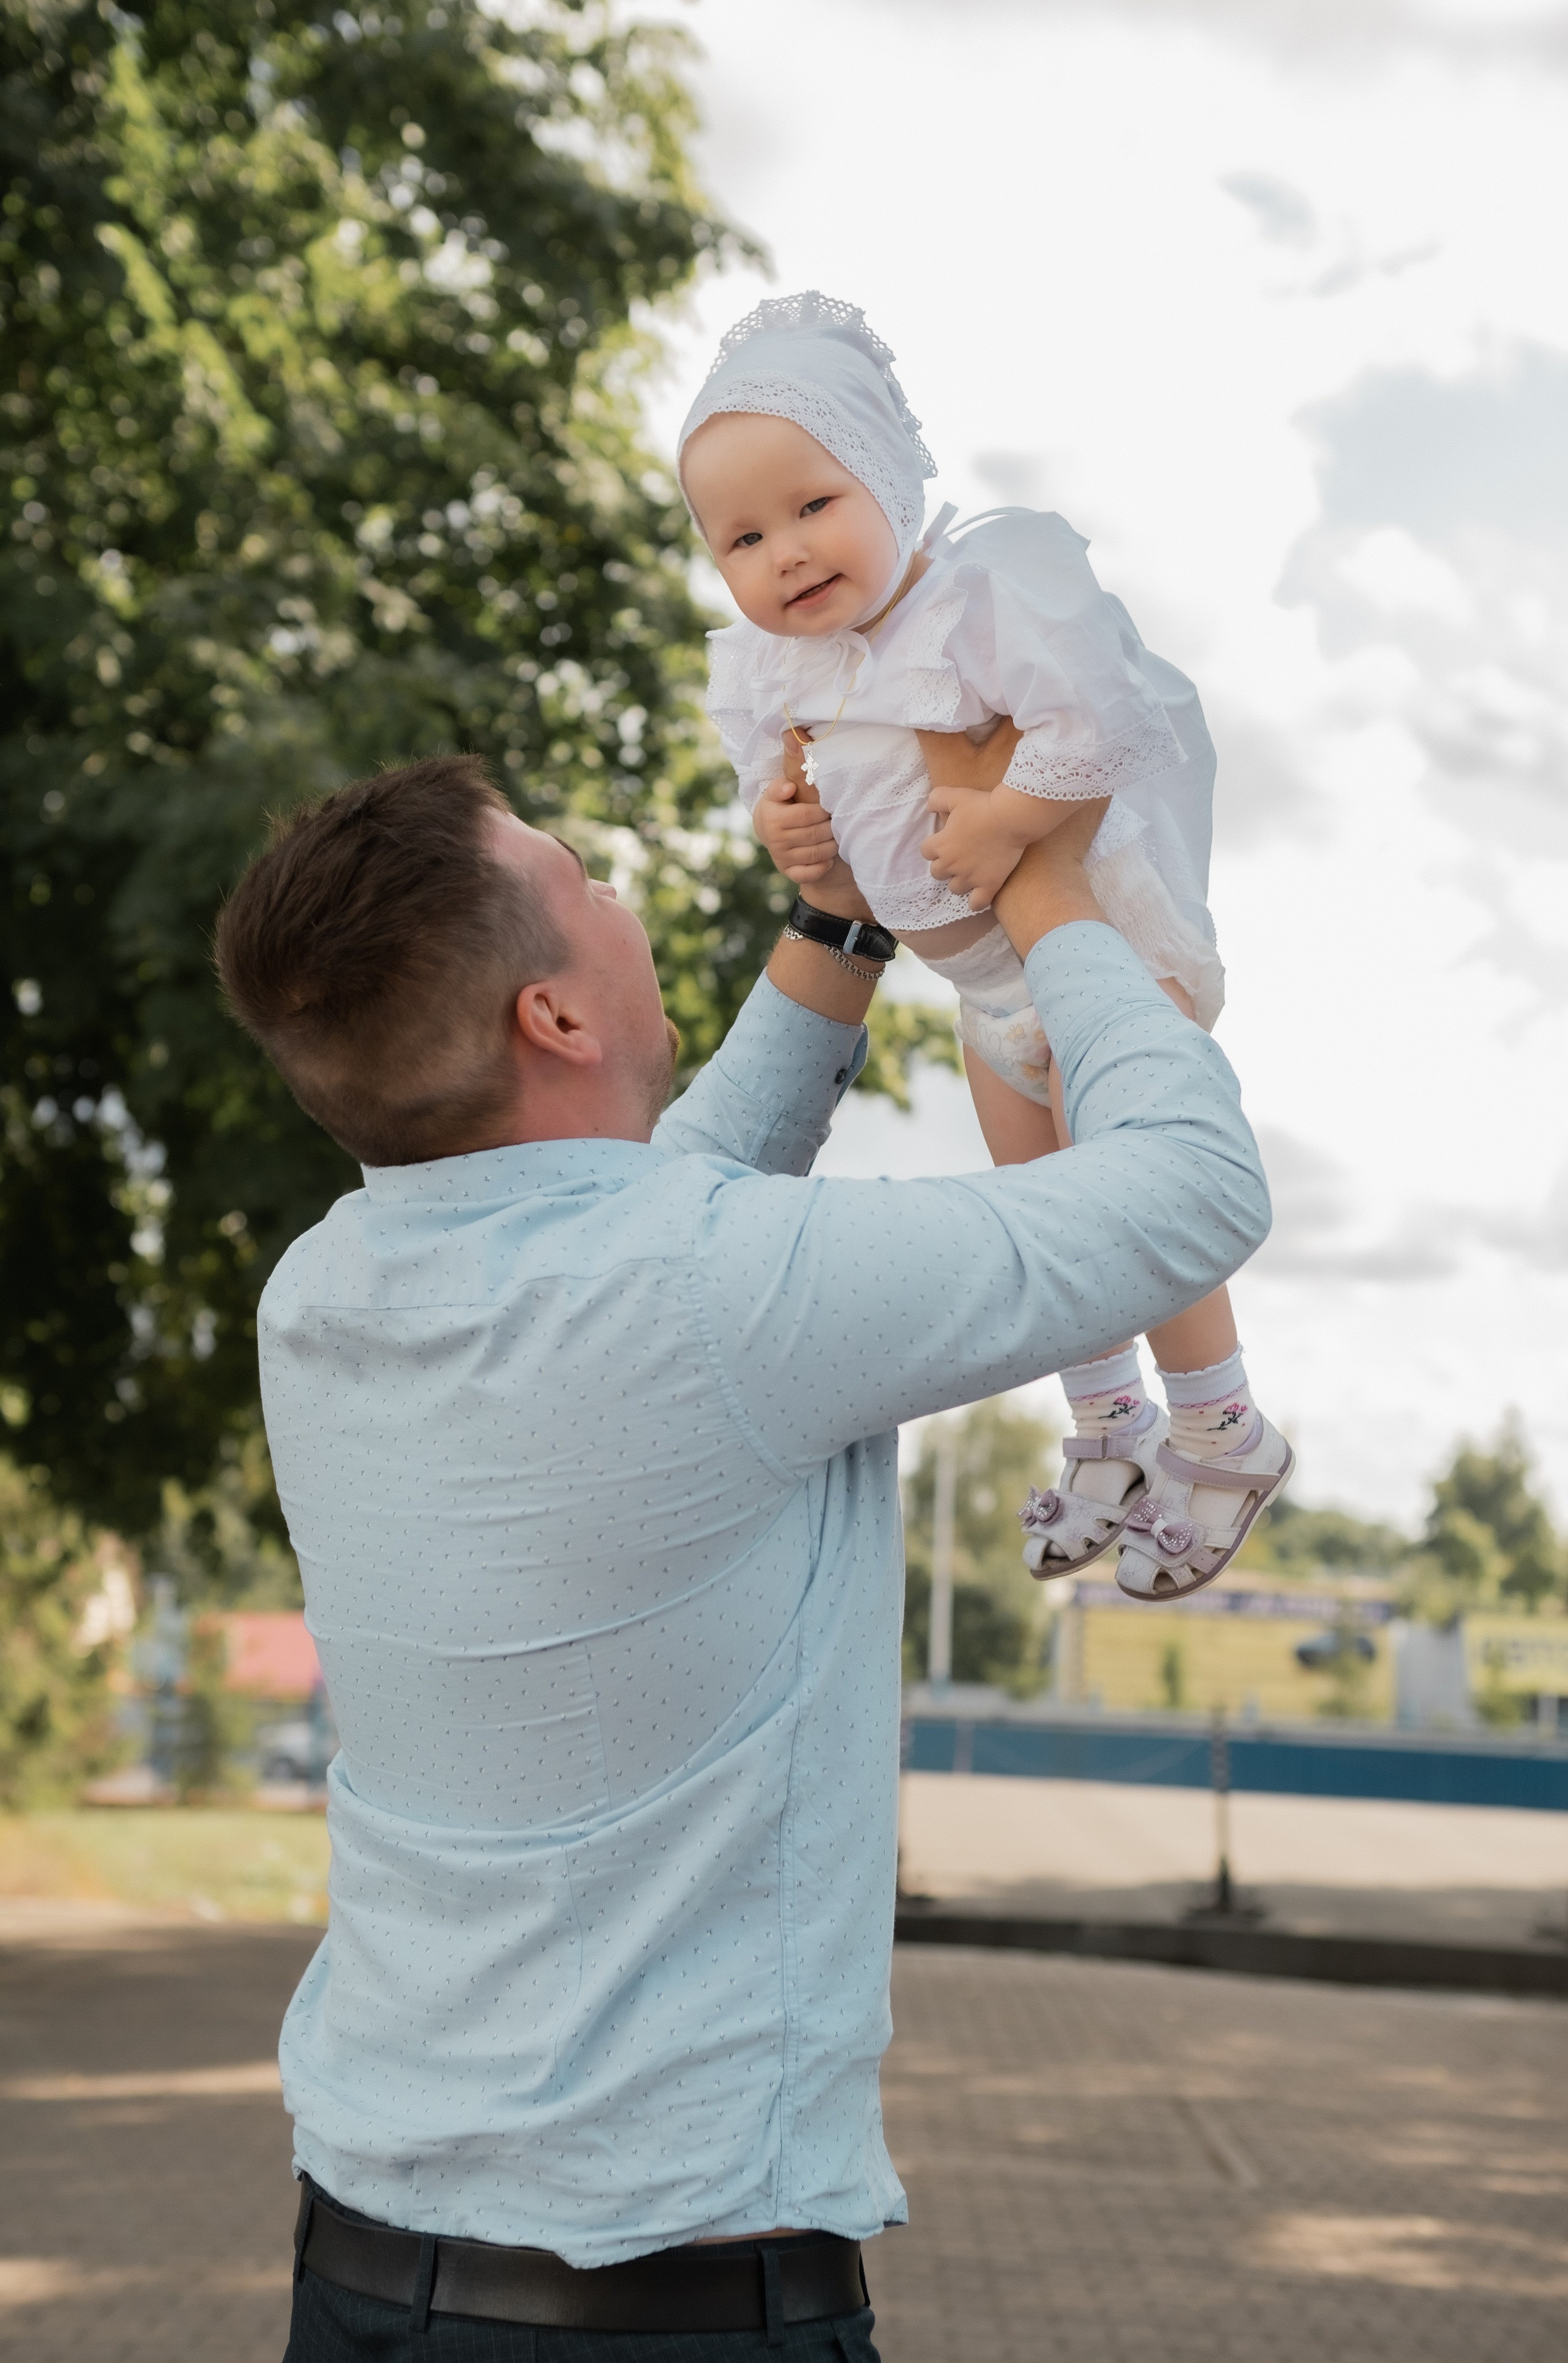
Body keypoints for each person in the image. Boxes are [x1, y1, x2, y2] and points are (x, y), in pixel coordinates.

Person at [214, 748, 1270, 2359]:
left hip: (365, 2267)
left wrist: (840, 927)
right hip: (668, 2315)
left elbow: (651, 1207)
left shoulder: (326, 1295)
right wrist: (1043, 880)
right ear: (552, 1017)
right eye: (587, 881)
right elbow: (1192, 1192)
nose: (621, 898)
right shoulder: (710, 1296)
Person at [680, 290, 1292, 1601]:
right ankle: (1112, 1422)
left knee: (1128, 1197)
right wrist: (785, 827)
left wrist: (1015, 814)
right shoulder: (774, 670)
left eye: (812, 505)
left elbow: (1106, 722)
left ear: (889, 476)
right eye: (740, 536)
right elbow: (790, 798)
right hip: (977, 981)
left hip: (1094, 946)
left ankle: (1222, 1426)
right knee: (1040, 1209)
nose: (782, 553)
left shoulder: (976, 597)